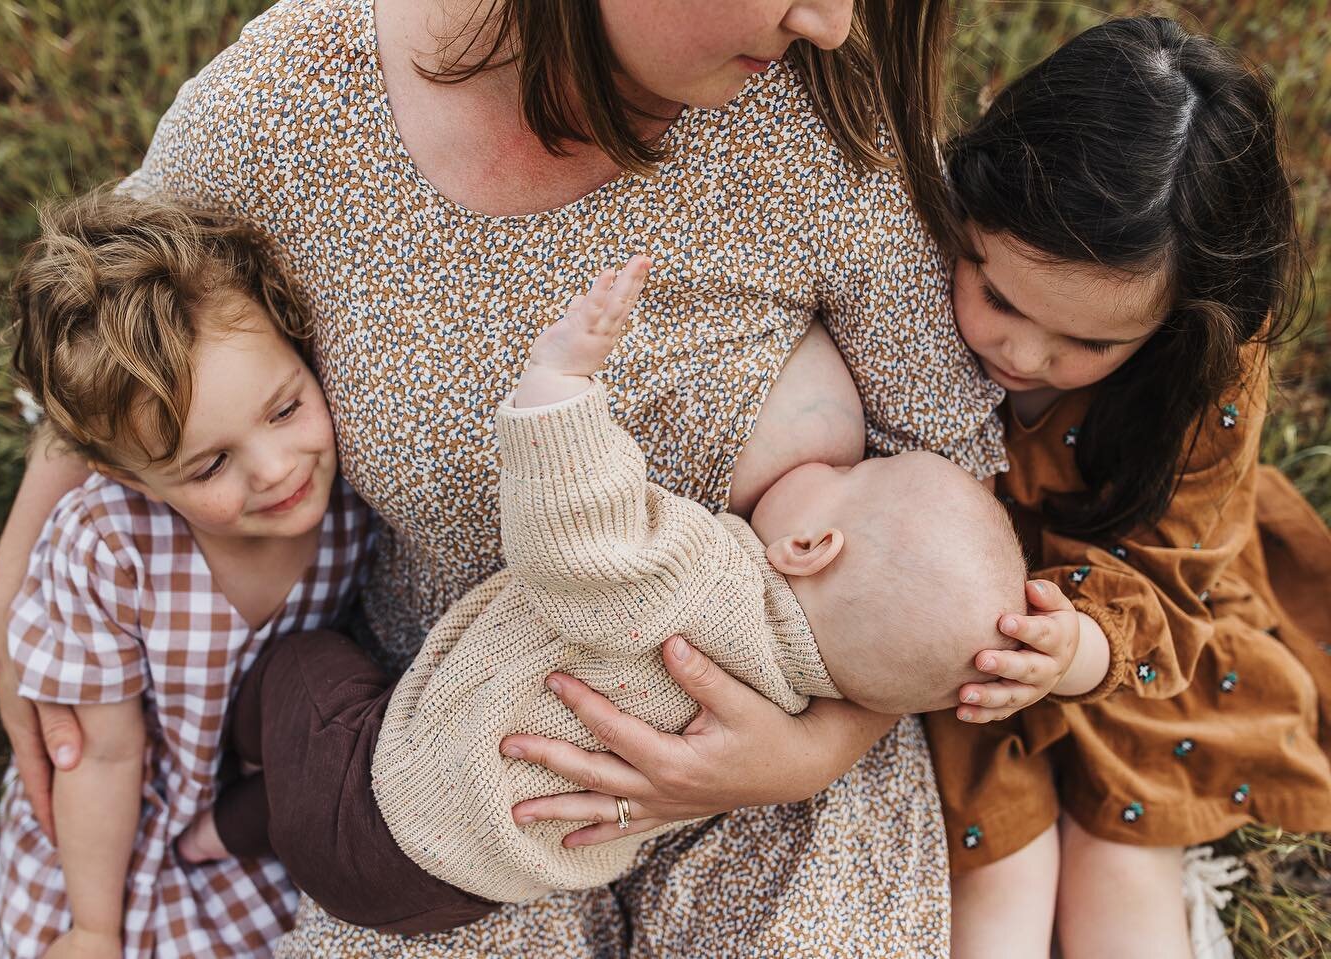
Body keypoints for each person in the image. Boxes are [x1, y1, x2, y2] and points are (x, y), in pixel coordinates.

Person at [0, 0, 1007, 953]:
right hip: (449, 753)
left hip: (782, 748)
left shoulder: (823, 105)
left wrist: (814, 750)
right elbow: (111, 327)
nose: (831, 23)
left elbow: (951, 489)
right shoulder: (292, 103)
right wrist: (19, 578)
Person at [180, 257, 1043, 908]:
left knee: (304, 671)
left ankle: (229, 802)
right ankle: (242, 826)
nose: (839, 465)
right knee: (324, 769)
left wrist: (561, 386)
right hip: (470, 889)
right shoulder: (783, 701)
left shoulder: (703, 582)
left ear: (812, 544)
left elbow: (579, 536)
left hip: (388, 812)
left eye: (856, 474)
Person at [921, 17, 1331, 958]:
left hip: (1126, 607)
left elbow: (1165, 568)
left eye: (1092, 344)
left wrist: (1081, 649)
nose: (1021, 353)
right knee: (998, 871)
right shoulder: (919, 237)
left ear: (1183, 325)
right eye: (999, 298)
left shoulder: (1206, 378)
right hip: (958, 622)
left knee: (1122, 852)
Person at [0, 191, 372, 957]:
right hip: (114, 810)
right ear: (127, 478)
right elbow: (103, 754)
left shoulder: (357, 499)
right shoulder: (109, 548)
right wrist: (95, 925)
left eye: (285, 408)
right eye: (210, 464)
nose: (277, 470)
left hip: (257, 806)